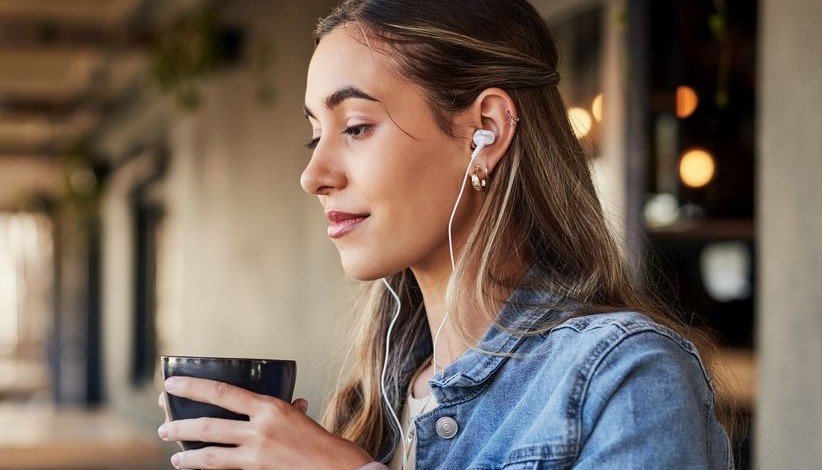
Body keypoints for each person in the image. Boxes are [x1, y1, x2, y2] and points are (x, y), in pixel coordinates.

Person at [156, 0, 735, 468]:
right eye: (316, 136)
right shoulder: (368, 405)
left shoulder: (624, 375)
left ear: (485, 129)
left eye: (356, 127)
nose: (314, 176)